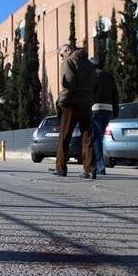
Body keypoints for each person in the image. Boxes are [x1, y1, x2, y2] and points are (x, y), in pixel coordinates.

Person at [51, 44, 100, 179]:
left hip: (72, 103)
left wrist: (61, 101)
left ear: (67, 51)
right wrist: (90, 100)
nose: (62, 58)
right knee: (87, 137)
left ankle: (60, 168)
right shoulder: (90, 65)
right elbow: (97, 86)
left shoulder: (68, 62)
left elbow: (68, 85)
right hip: (86, 105)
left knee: (64, 137)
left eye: (61, 55)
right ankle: (90, 170)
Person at [89, 57, 119, 175]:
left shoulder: (91, 76)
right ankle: (96, 165)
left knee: (96, 139)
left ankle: (99, 167)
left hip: (95, 110)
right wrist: (115, 113)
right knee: (99, 138)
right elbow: (115, 95)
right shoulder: (109, 76)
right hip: (108, 110)